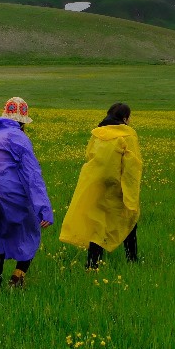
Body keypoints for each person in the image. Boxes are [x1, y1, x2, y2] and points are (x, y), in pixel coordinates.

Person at [0, 97, 53, 290]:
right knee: (30, 228)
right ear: (23, 123)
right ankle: (17, 278)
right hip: (7, 191)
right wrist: (43, 209)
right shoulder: (18, 137)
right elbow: (32, 175)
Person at [60, 102, 143, 269]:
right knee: (129, 220)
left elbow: (89, 155)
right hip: (117, 186)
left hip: (96, 184)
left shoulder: (97, 134)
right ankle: (132, 260)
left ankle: (92, 264)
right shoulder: (128, 135)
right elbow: (132, 166)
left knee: (97, 225)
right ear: (125, 118)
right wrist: (131, 196)